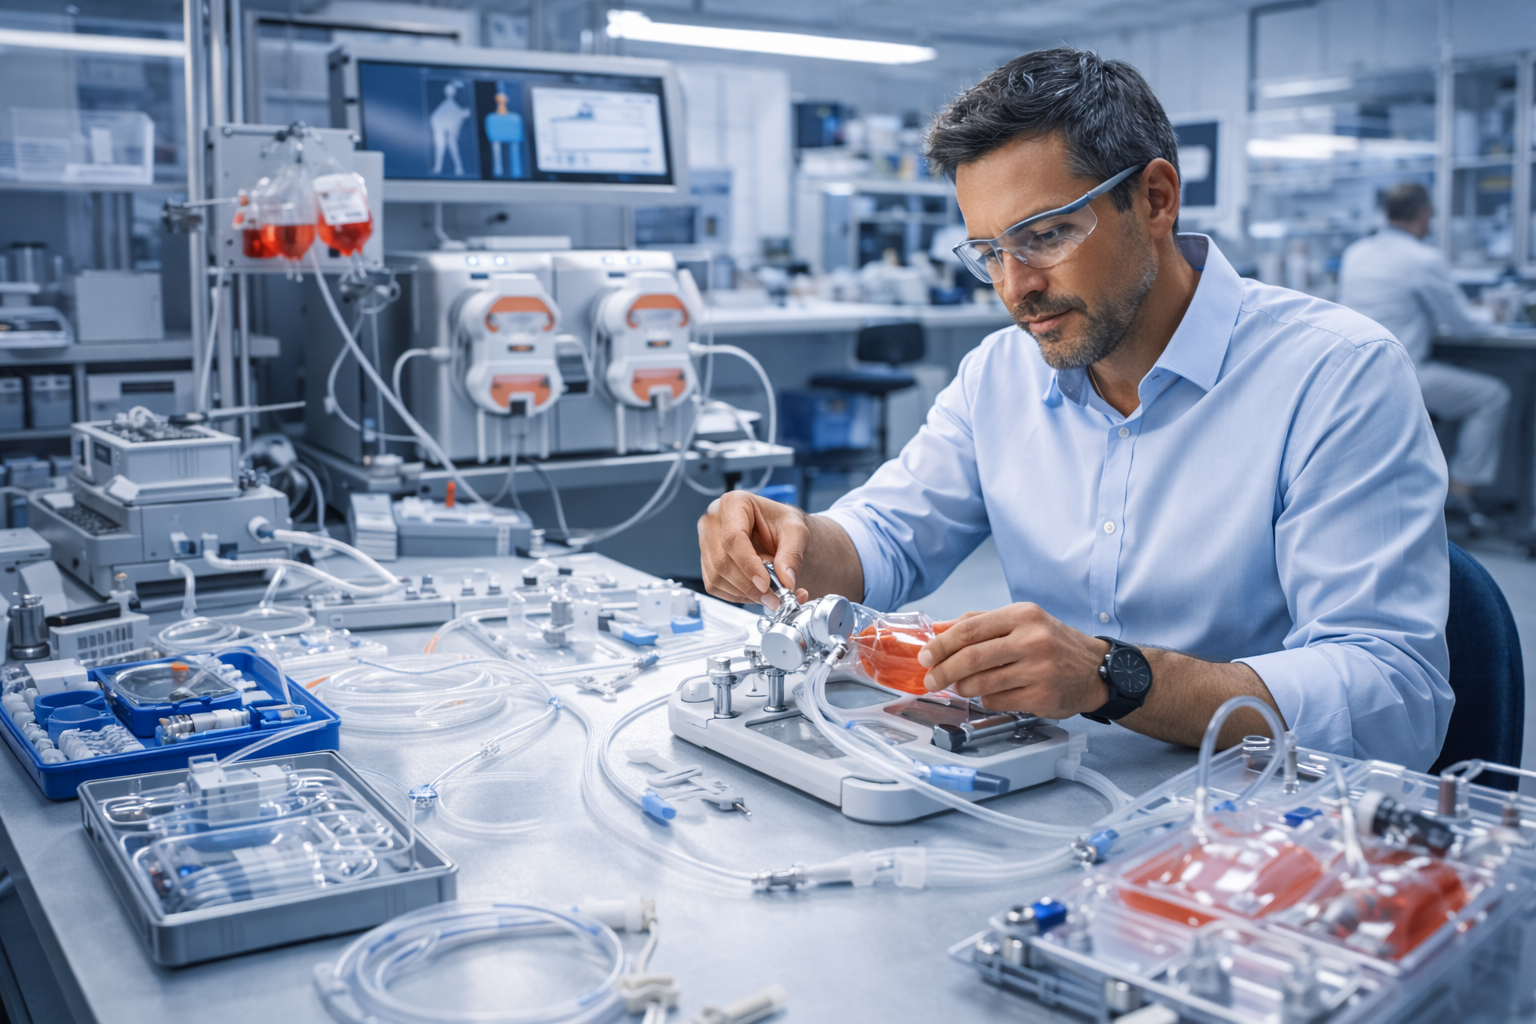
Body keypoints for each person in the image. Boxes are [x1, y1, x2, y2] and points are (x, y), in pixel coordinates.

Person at [697, 48, 1453, 769]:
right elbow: (886, 537)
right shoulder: (999, 375)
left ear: (1154, 199)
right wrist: (791, 538)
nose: (1014, 286)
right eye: (990, 251)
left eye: (1047, 235)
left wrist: (1113, 678)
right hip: (1053, 796)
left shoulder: (1336, 374)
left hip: (1254, 814)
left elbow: (1394, 696)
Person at [1339, 183, 1509, 528]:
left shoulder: (1355, 253)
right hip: (1405, 375)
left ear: (1385, 213)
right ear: (1424, 215)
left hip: (1353, 375)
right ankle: (1461, 492)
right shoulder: (1423, 259)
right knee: (1493, 396)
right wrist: (1492, 313)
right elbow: (1463, 326)